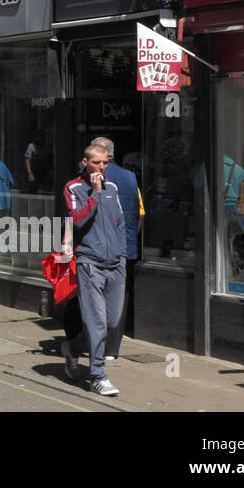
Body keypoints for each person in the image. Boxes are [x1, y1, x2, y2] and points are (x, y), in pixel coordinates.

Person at [61, 143, 126, 397]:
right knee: (97, 323)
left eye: (105, 162)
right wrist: (95, 193)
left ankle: (73, 349)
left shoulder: (114, 187)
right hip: (90, 262)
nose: (102, 167)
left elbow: (119, 221)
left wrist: (121, 255)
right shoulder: (73, 187)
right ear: (85, 162)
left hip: (115, 263)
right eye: (97, 162)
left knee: (111, 322)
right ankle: (97, 375)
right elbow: (77, 220)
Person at [90, 136, 143, 360]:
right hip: (125, 247)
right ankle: (112, 349)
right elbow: (140, 214)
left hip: (97, 247)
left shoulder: (90, 176)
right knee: (119, 296)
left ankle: (95, 345)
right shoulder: (130, 177)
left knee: (95, 296)